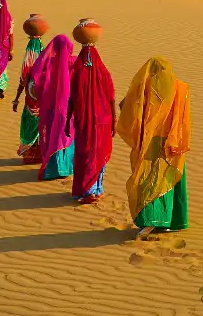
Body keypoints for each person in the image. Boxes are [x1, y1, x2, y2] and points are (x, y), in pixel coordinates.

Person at [116, 57, 191, 238]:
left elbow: (126, 108)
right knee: (170, 179)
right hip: (172, 144)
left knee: (150, 181)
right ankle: (173, 220)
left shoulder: (145, 87)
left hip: (151, 143)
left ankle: (153, 220)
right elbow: (184, 121)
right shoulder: (181, 87)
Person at [66, 22, 115, 203]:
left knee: (86, 152)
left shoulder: (77, 70)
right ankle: (95, 188)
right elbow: (111, 96)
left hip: (85, 121)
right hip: (102, 120)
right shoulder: (102, 70)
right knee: (97, 152)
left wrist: (67, 120)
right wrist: (114, 120)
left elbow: (71, 98)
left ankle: (88, 190)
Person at [30, 35, 75, 180]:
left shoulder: (49, 63)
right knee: (65, 136)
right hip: (68, 108)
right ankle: (64, 169)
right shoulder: (74, 61)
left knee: (52, 135)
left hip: (50, 108)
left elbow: (36, 79)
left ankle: (52, 169)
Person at [12, 30, 45, 164]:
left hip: (31, 102)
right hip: (41, 103)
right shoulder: (45, 63)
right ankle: (40, 155)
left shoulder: (28, 66)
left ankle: (32, 155)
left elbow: (22, 79)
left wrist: (16, 98)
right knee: (40, 127)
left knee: (30, 126)